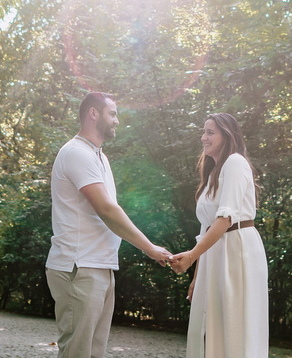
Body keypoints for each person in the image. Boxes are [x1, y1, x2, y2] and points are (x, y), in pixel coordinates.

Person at [46, 91, 173, 358]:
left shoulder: (99, 157)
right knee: (77, 353)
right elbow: (106, 210)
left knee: (94, 353)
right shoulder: (76, 153)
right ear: (94, 113)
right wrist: (149, 247)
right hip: (79, 266)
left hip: (100, 265)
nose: (117, 121)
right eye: (112, 114)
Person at [169, 112, 269, 358]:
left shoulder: (235, 162)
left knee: (235, 324)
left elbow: (224, 219)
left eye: (210, 132)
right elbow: (206, 228)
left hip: (237, 249)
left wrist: (191, 256)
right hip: (215, 253)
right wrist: (197, 275)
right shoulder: (214, 172)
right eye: (203, 132)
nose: (203, 138)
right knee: (213, 324)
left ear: (227, 135)